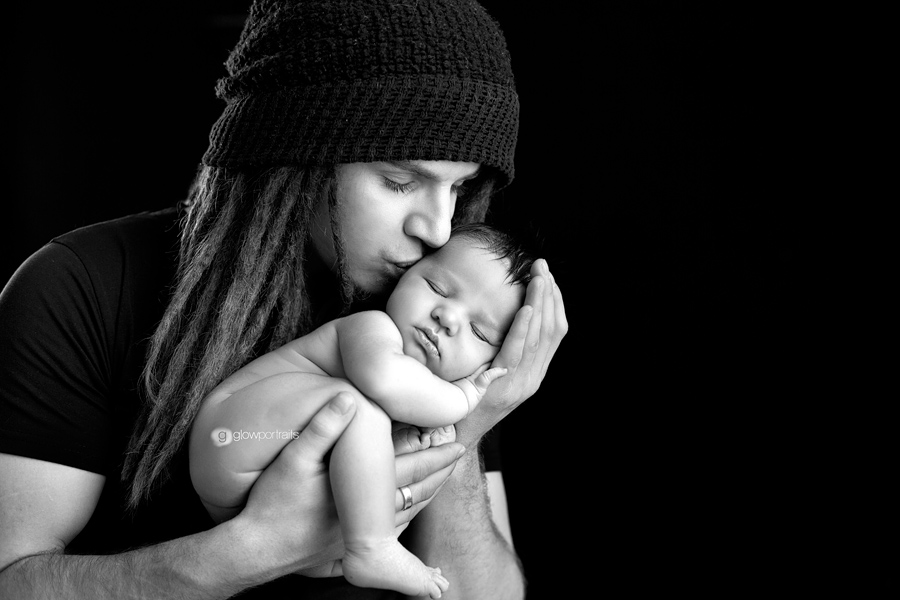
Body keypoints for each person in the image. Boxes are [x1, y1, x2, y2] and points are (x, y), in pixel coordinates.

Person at [0, 1, 567, 599]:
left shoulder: (438, 315)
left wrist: (471, 420)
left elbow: (486, 596)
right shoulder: (78, 286)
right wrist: (258, 548)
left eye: (460, 187)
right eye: (400, 181)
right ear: (295, 153)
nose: (438, 228)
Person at [190, 224, 532, 598]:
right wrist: (466, 401)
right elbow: (385, 381)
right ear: (405, 276)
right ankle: (372, 548)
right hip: (233, 436)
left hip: (270, 509)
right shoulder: (373, 328)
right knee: (356, 408)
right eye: (437, 288)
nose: (448, 318)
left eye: (479, 332)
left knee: (368, 484)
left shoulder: (421, 399)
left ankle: (360, 547)